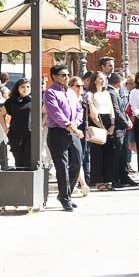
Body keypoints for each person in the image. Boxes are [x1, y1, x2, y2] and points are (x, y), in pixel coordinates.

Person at [44, 65, 83, 211]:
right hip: (58, 132)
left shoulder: (71, 93)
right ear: (54, 76)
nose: (66, 77)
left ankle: (66, 193)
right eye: (63, 75)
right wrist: (70, 126)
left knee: (77, 163)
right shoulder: (50, 92)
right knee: (62, 168)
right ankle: (65, 198)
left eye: (67, 75)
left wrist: (76, 123)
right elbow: (56, 113)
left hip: (73, 131)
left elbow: (79, 109)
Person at [84, 72, 115, 191]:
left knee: (109, 153)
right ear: (94, 80)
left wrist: (112, 125)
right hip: (97, 123)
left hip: (108, 122)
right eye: (100, 79)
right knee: (97, 154)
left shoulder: (107, 93)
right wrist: (101, 126)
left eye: (104, 79)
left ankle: (108, 179)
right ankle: (98, 181)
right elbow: (92, 115)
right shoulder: (91, 94)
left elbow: (111, 109)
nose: (102, 81)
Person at [107, 73, 138, 188]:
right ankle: (115, 179)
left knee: (123, 154)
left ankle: (124, 176)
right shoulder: (111, 93)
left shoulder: (116, 92)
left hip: (122, 128)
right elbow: (116, 110)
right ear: (119, 82)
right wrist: (126, 122)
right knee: (117, 154)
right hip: (118, 128)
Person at [1, 79, 32, 169]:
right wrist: (6, 129)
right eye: (22, 87)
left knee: (28, 160)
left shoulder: (34, 100)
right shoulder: (11, 101)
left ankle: (28, 182)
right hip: (15, 134)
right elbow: (2, 115)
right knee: (18, 160)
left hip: (30, 134)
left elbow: (44, 113)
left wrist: (41, 125)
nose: (25, 89)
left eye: (28, 87)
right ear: (17, 88)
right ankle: (20, 182)